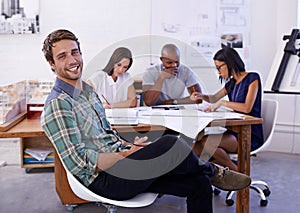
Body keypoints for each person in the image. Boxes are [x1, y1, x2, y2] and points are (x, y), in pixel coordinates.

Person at [40, 29, 251, 213]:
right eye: (62, 56)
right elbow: (82, 164)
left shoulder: (87, 91)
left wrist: (132, 147)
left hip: (121, 164)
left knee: (199, 182)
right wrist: (126, 155)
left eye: (74, 52)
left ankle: (209, 174)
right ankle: (215, 171)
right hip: (103, 180)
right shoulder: (58, 105)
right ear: (51, 64)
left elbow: (108, 136)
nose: (72, 60)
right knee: (171, 142)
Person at [190, 47, 263, 171]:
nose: (218, 72)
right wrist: (200, 95)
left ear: (229, 63)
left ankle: (237, 174)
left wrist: (223, 103)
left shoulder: (253, 78)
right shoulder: (231, 83)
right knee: (196, 147)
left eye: (219, 67)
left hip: (249, 133)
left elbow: (246, 108)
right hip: (233, 130)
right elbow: (214, 98)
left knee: (208, 142)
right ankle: (234, 172)